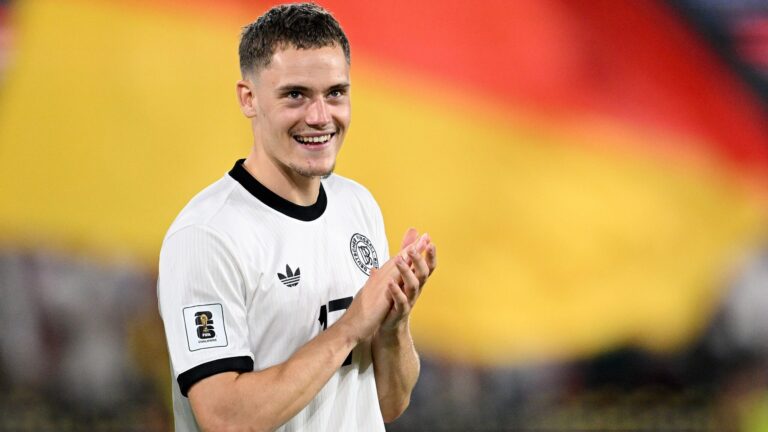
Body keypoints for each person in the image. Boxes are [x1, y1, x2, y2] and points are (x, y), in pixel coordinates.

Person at [157, 3, 437, 431]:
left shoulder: (358, 206)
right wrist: (350, 327)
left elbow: (386, 404)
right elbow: (224, 419)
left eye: (335, 93)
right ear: (249, 99)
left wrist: (393, 325)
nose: (320, 117)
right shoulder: (206, 236)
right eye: (295, 95)